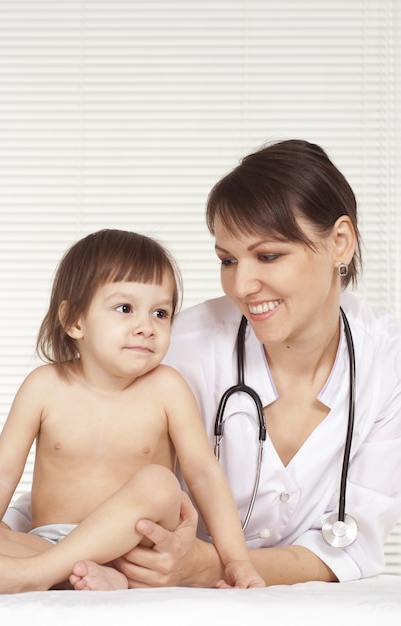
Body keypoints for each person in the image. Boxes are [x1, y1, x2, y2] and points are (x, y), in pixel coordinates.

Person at [44, 138, 400, 590]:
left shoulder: (388, 365)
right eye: (228, 260)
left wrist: (207, 563)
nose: (243, 284)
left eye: (268, 255)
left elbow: (352, 547)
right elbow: (82, 466)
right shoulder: (177, 346)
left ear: (340, 243)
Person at [0, 228, 265, 594]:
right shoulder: (44, 386)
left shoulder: (167, 388)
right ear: (75, 321)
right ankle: (80, 574)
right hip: (48, 541)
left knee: (161, 485)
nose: (146, 327)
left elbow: (204, 476)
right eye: (125, 309)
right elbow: (2, 474)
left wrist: (237, 561)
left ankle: (40, 575)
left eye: (160, 313)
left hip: (134, 550)